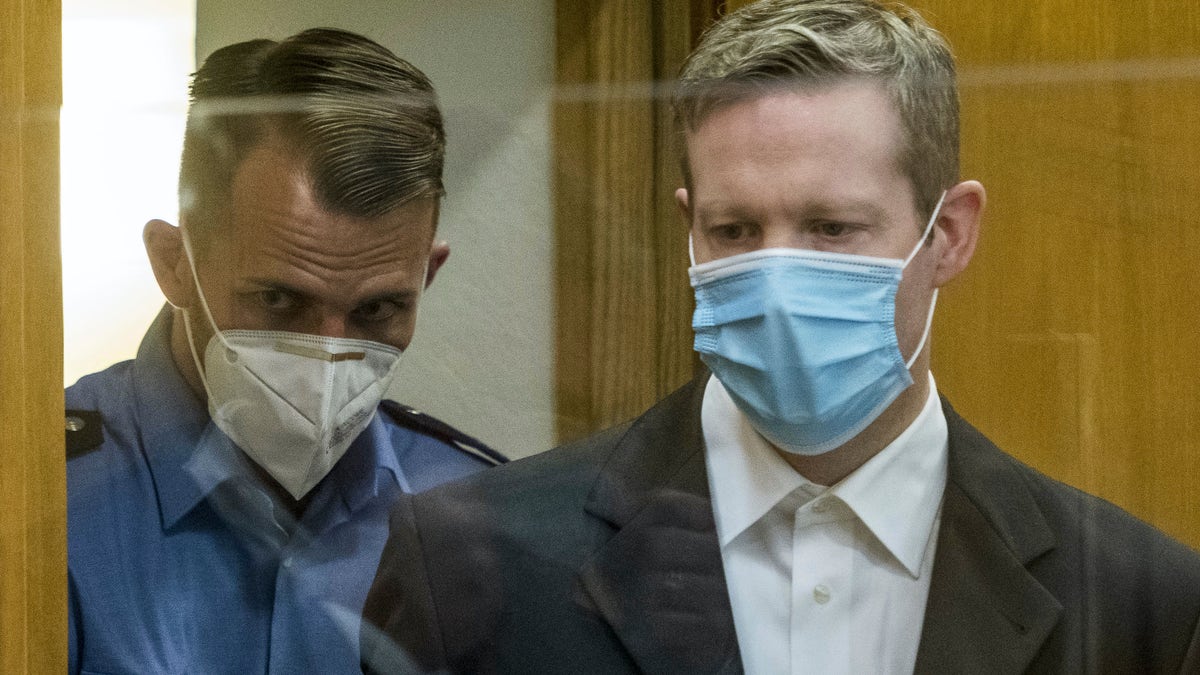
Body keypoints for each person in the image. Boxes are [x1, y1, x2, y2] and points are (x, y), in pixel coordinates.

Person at [360, 1, 1200, 672]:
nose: (775, 274)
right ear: (688, 228)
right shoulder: (474, 563)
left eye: (832, 227)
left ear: (947, 233)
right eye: (734, 230)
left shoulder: (1140, 604)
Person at [65, 28, 505, 674]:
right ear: (172, 263)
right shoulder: (40, 496)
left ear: (426, 276)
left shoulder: (477, 514)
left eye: (376, 309)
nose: (329, 354)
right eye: (278, 300)